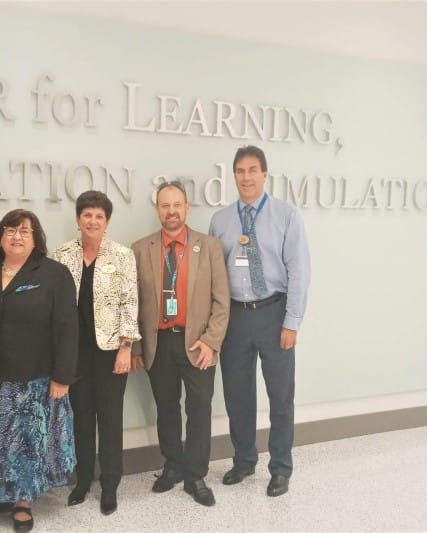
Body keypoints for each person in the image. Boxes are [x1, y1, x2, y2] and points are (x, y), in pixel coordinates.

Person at [208, 145, 311, 497]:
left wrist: (292, 322)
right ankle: (244, 460)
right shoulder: (220, 220)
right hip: (235, 317)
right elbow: (213, 277)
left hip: (274, 314)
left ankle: (280, 468)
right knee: (237, 395)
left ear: (265, 174)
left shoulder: (286, 215)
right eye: (240, 171)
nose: (246, 177)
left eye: (253, 170)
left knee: (280, 396)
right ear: (233, 176)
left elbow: (299, 270)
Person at [0, 209, 78, 532]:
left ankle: (22, 501)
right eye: (10, 230)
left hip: (35, 377)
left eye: (25, 231)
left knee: (25, 442)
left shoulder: (53, 273)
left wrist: (63, 376)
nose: (17, 236)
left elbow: (67, 328)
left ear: (36, 238)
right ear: (0, 236)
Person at [131, 181, 230, 507]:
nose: (171, 211)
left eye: (177, 205)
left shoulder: (209, 246)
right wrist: (135, 347)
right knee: (167, 408)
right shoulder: (140, 248)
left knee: (199, 409)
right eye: (164, 205)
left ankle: (196, 474)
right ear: (157, 209)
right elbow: (132, 303)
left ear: (187, 208)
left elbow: (221, 301)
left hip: (197, 343)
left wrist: (211, 342)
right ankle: (172, 465)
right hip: (158, 344)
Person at [52, 191, 140, 515]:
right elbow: (55, 307)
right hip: (74, 354)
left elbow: (130, 303)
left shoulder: (121, 255)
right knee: (82, 419)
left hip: (110, 353)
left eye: (99, 216)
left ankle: (111, 484)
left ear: (107, 222)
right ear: (78, 220)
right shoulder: (62, 255)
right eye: (86, 215)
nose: (92, 221)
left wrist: (125, 348)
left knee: (110, 418)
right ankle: (83, 479)